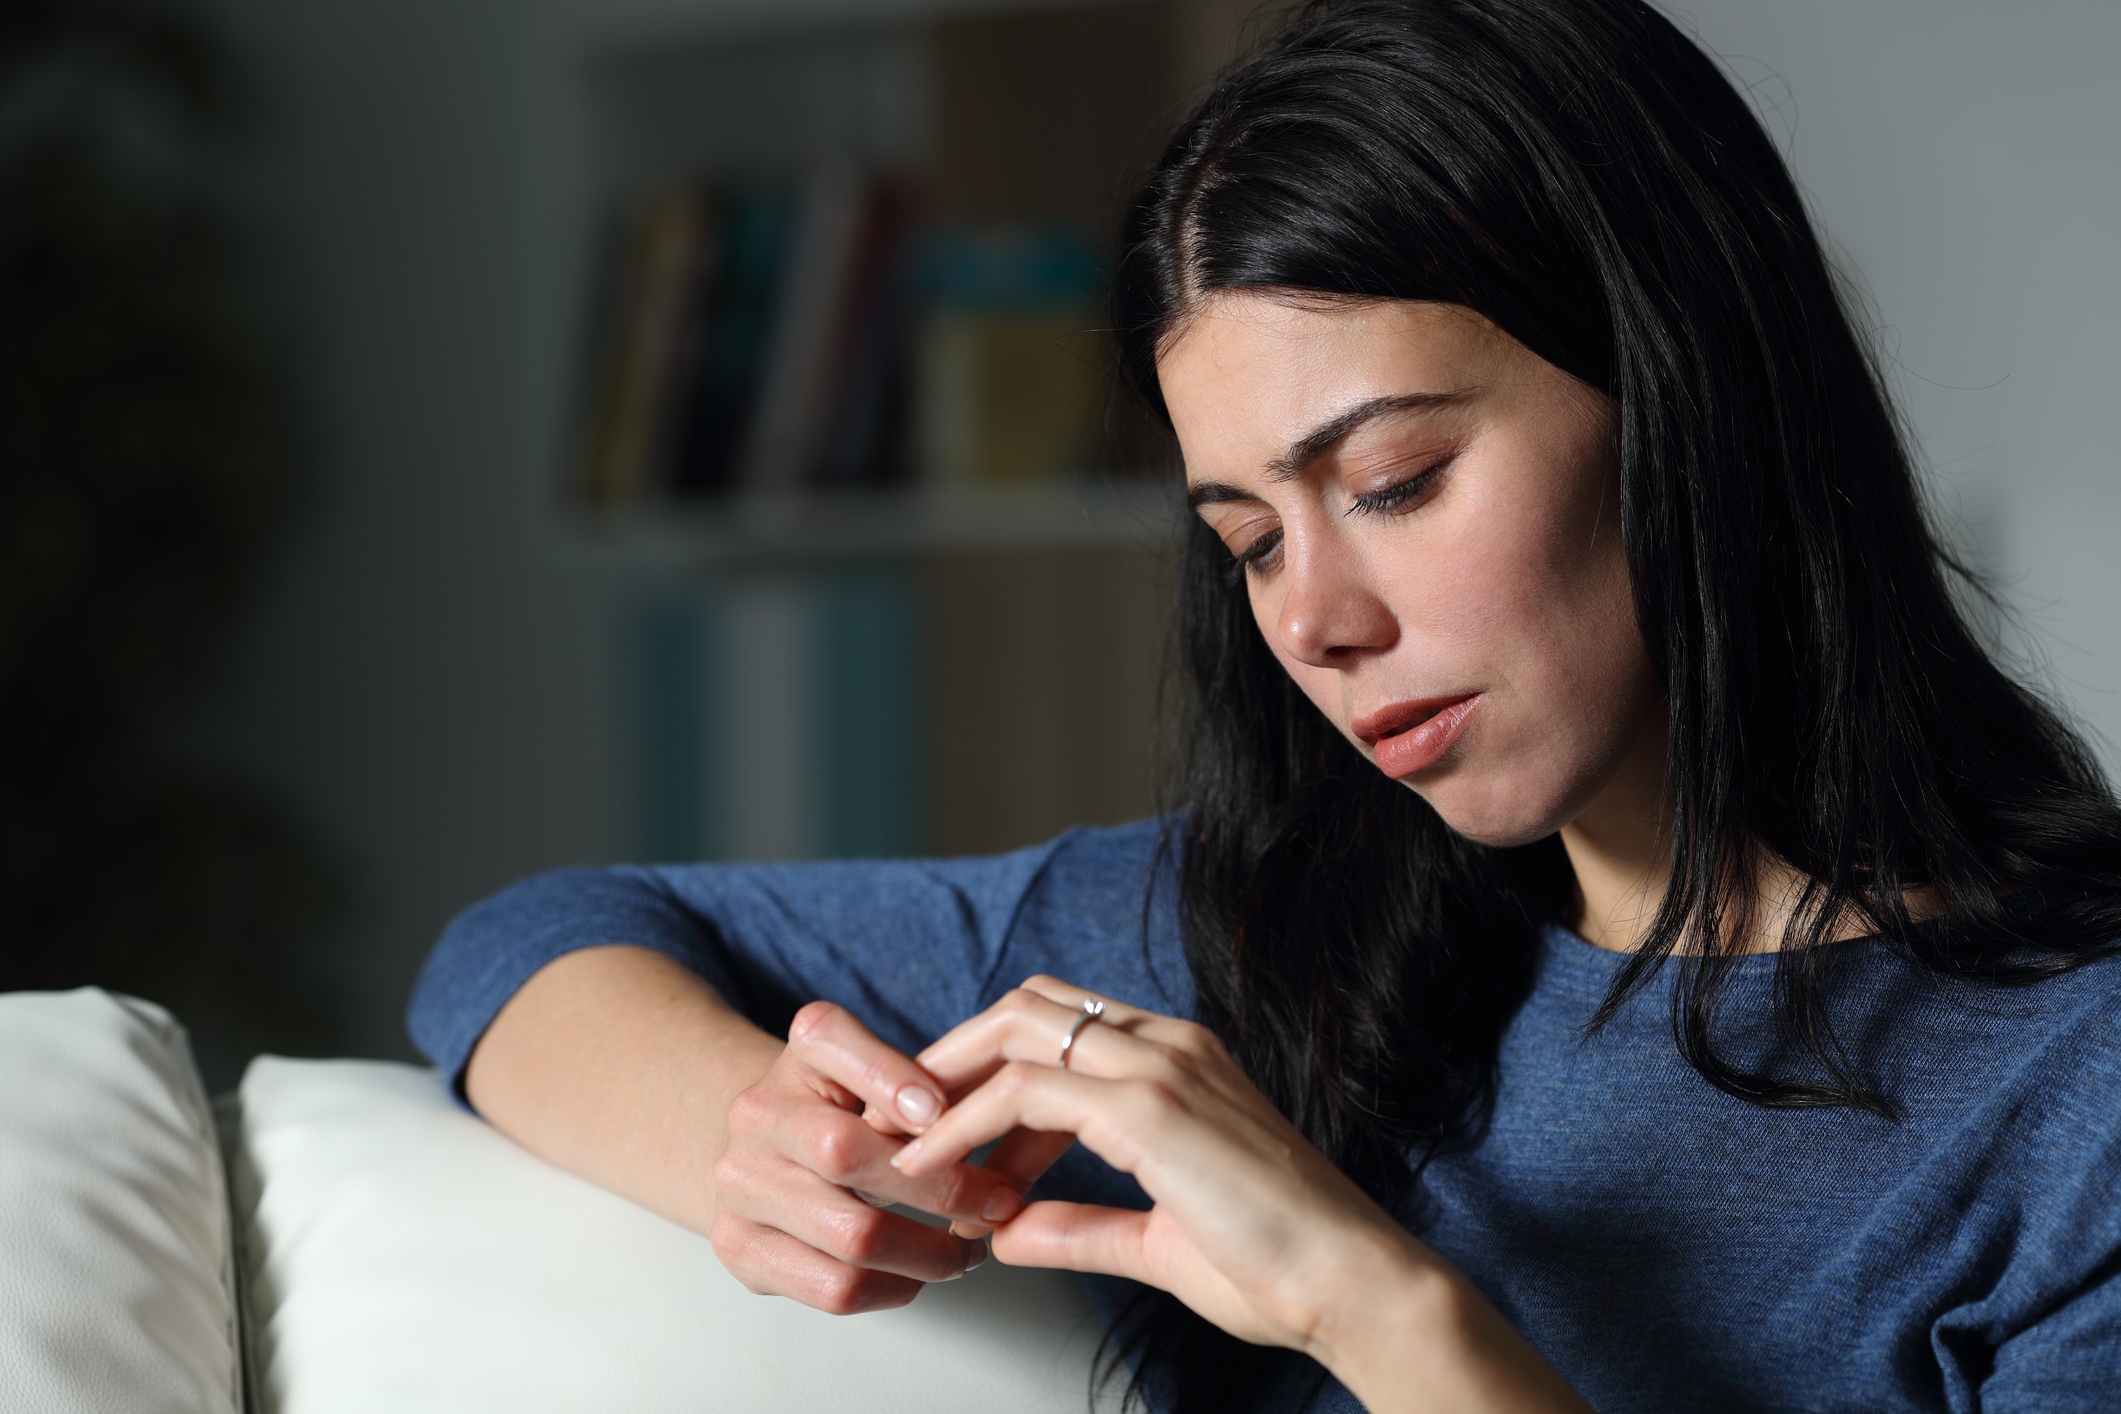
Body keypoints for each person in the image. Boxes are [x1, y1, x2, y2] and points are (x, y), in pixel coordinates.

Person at [408, 1, 2121, 1409]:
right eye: (1244, 536)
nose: (1311, 620)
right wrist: (759, 1146)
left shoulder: (2075, 1090)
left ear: (1683, 391)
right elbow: (526, 945)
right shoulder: (1250, 932)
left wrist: (1373, 1305)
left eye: (1391, 479)